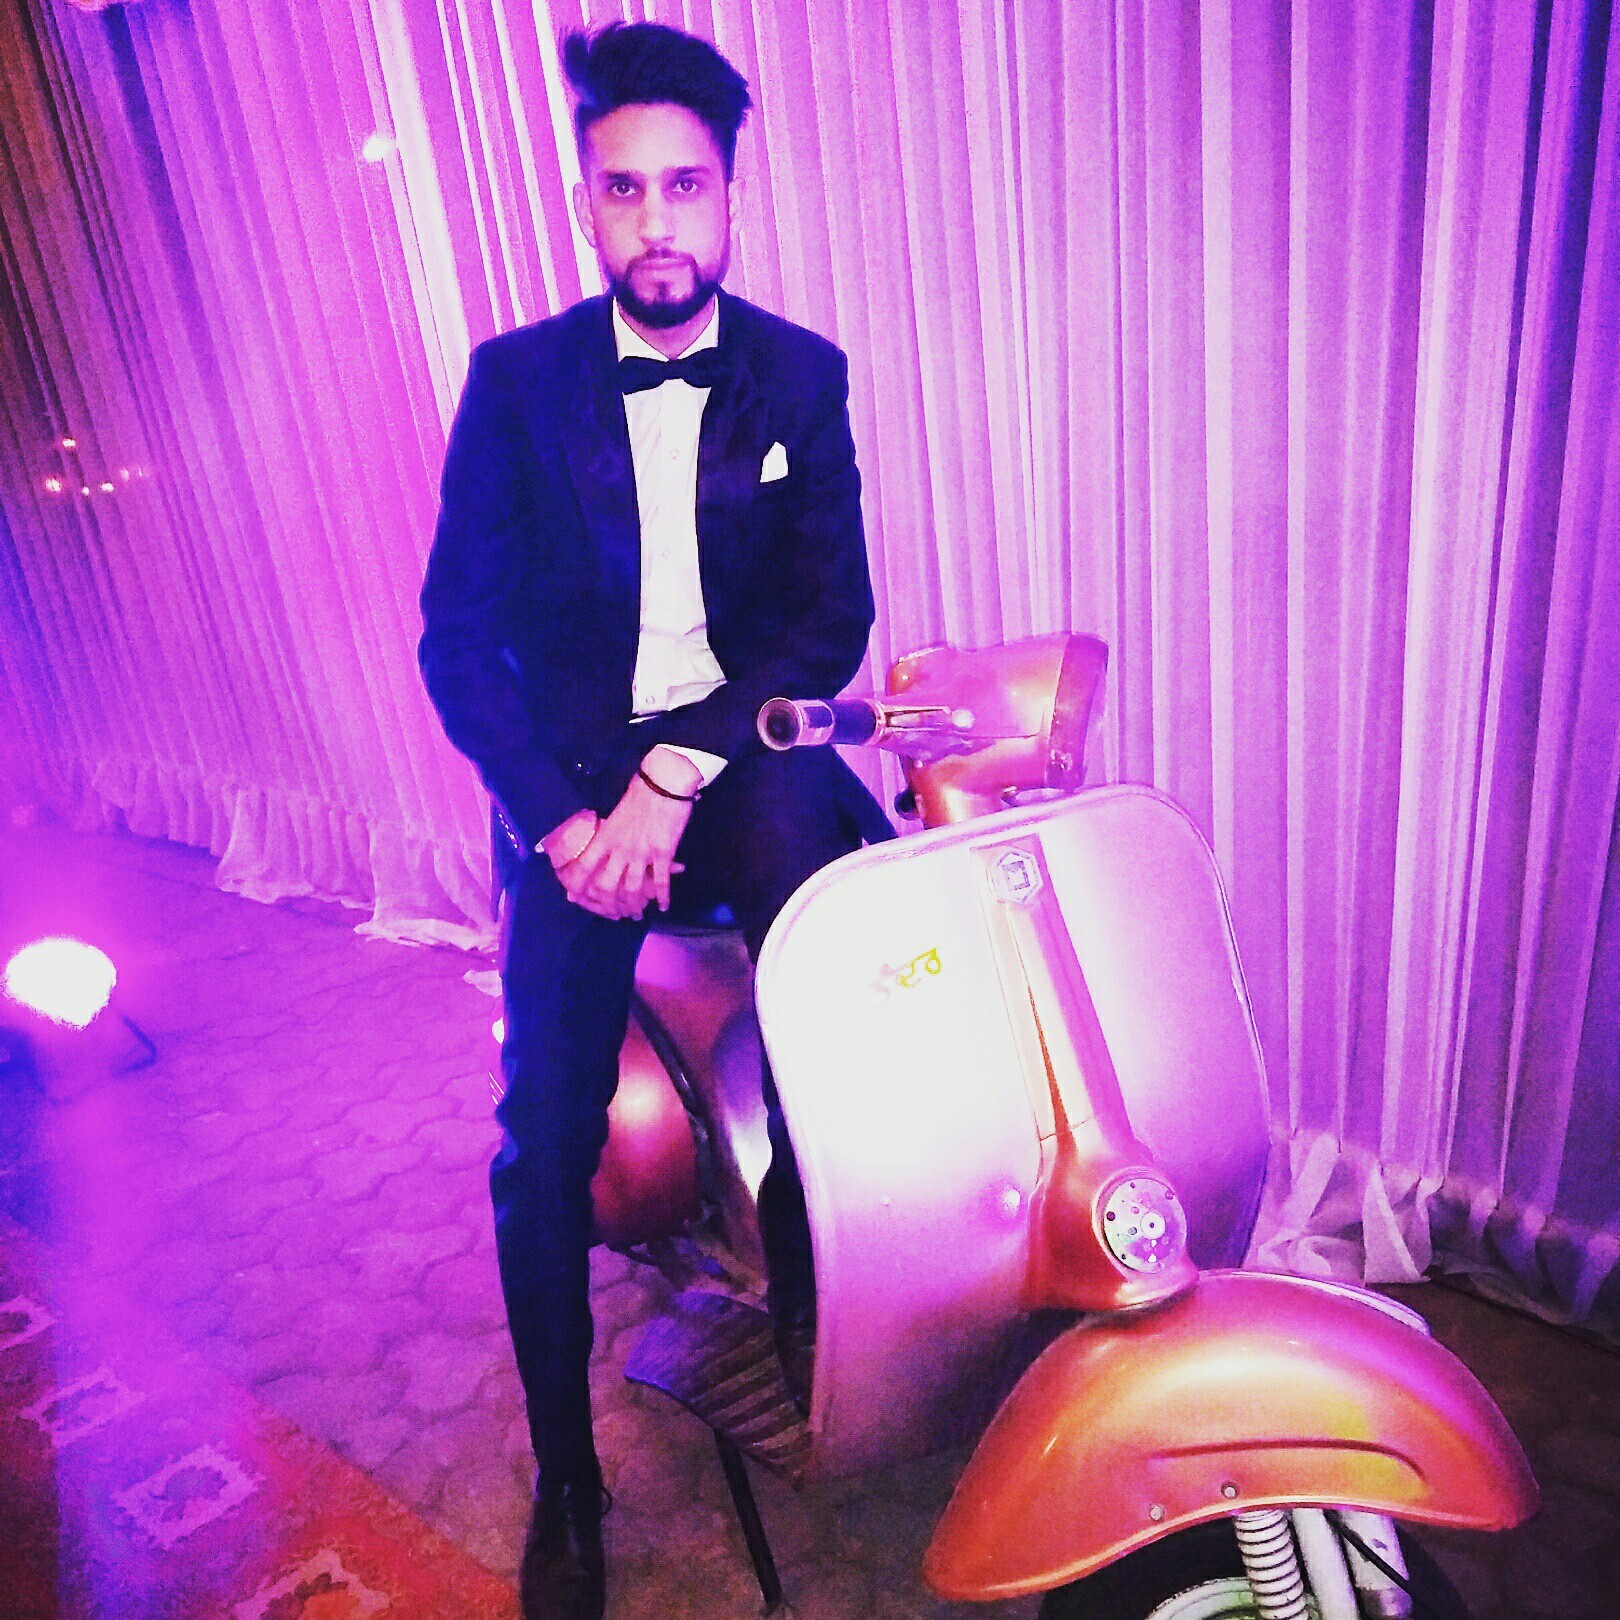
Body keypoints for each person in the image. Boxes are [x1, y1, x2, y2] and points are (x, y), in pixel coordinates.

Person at [417, 21, 882, 1620]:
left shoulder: (800, 376)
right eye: (625, 190)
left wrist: (676, 775)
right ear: (586, 205)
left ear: (730, 195)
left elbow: (826, 623)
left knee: (852, 1034)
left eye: (685, 185)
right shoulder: (517, 385)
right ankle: (569, 1475)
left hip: (734, 758)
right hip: (568, 790)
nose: (657, 221)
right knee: (542, 1138)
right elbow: (456, 640)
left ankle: (825, 1308)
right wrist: (565, 823)